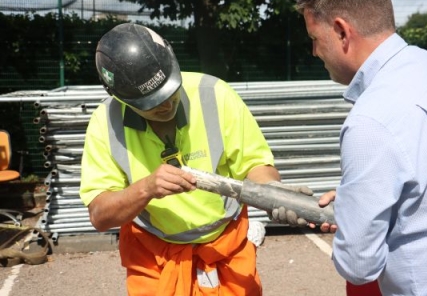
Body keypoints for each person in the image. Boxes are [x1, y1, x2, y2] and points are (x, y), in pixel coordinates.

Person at [79, 23, 310, 296]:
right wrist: (147, 188)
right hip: (154, 259)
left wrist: (272, 192)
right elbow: (100, 215)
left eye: (169, 90)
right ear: (119, 97)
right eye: (151, 103)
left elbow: (255, 164)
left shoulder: (215, 95)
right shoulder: (105, 123)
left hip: (226, 248)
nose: (165, 104)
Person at [296, 0, 427, 295]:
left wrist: (356, 217)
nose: (314, 51)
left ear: (341, 31)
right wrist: (366, 198)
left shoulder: (372, 119)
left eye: (314, 37)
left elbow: (359, 264)